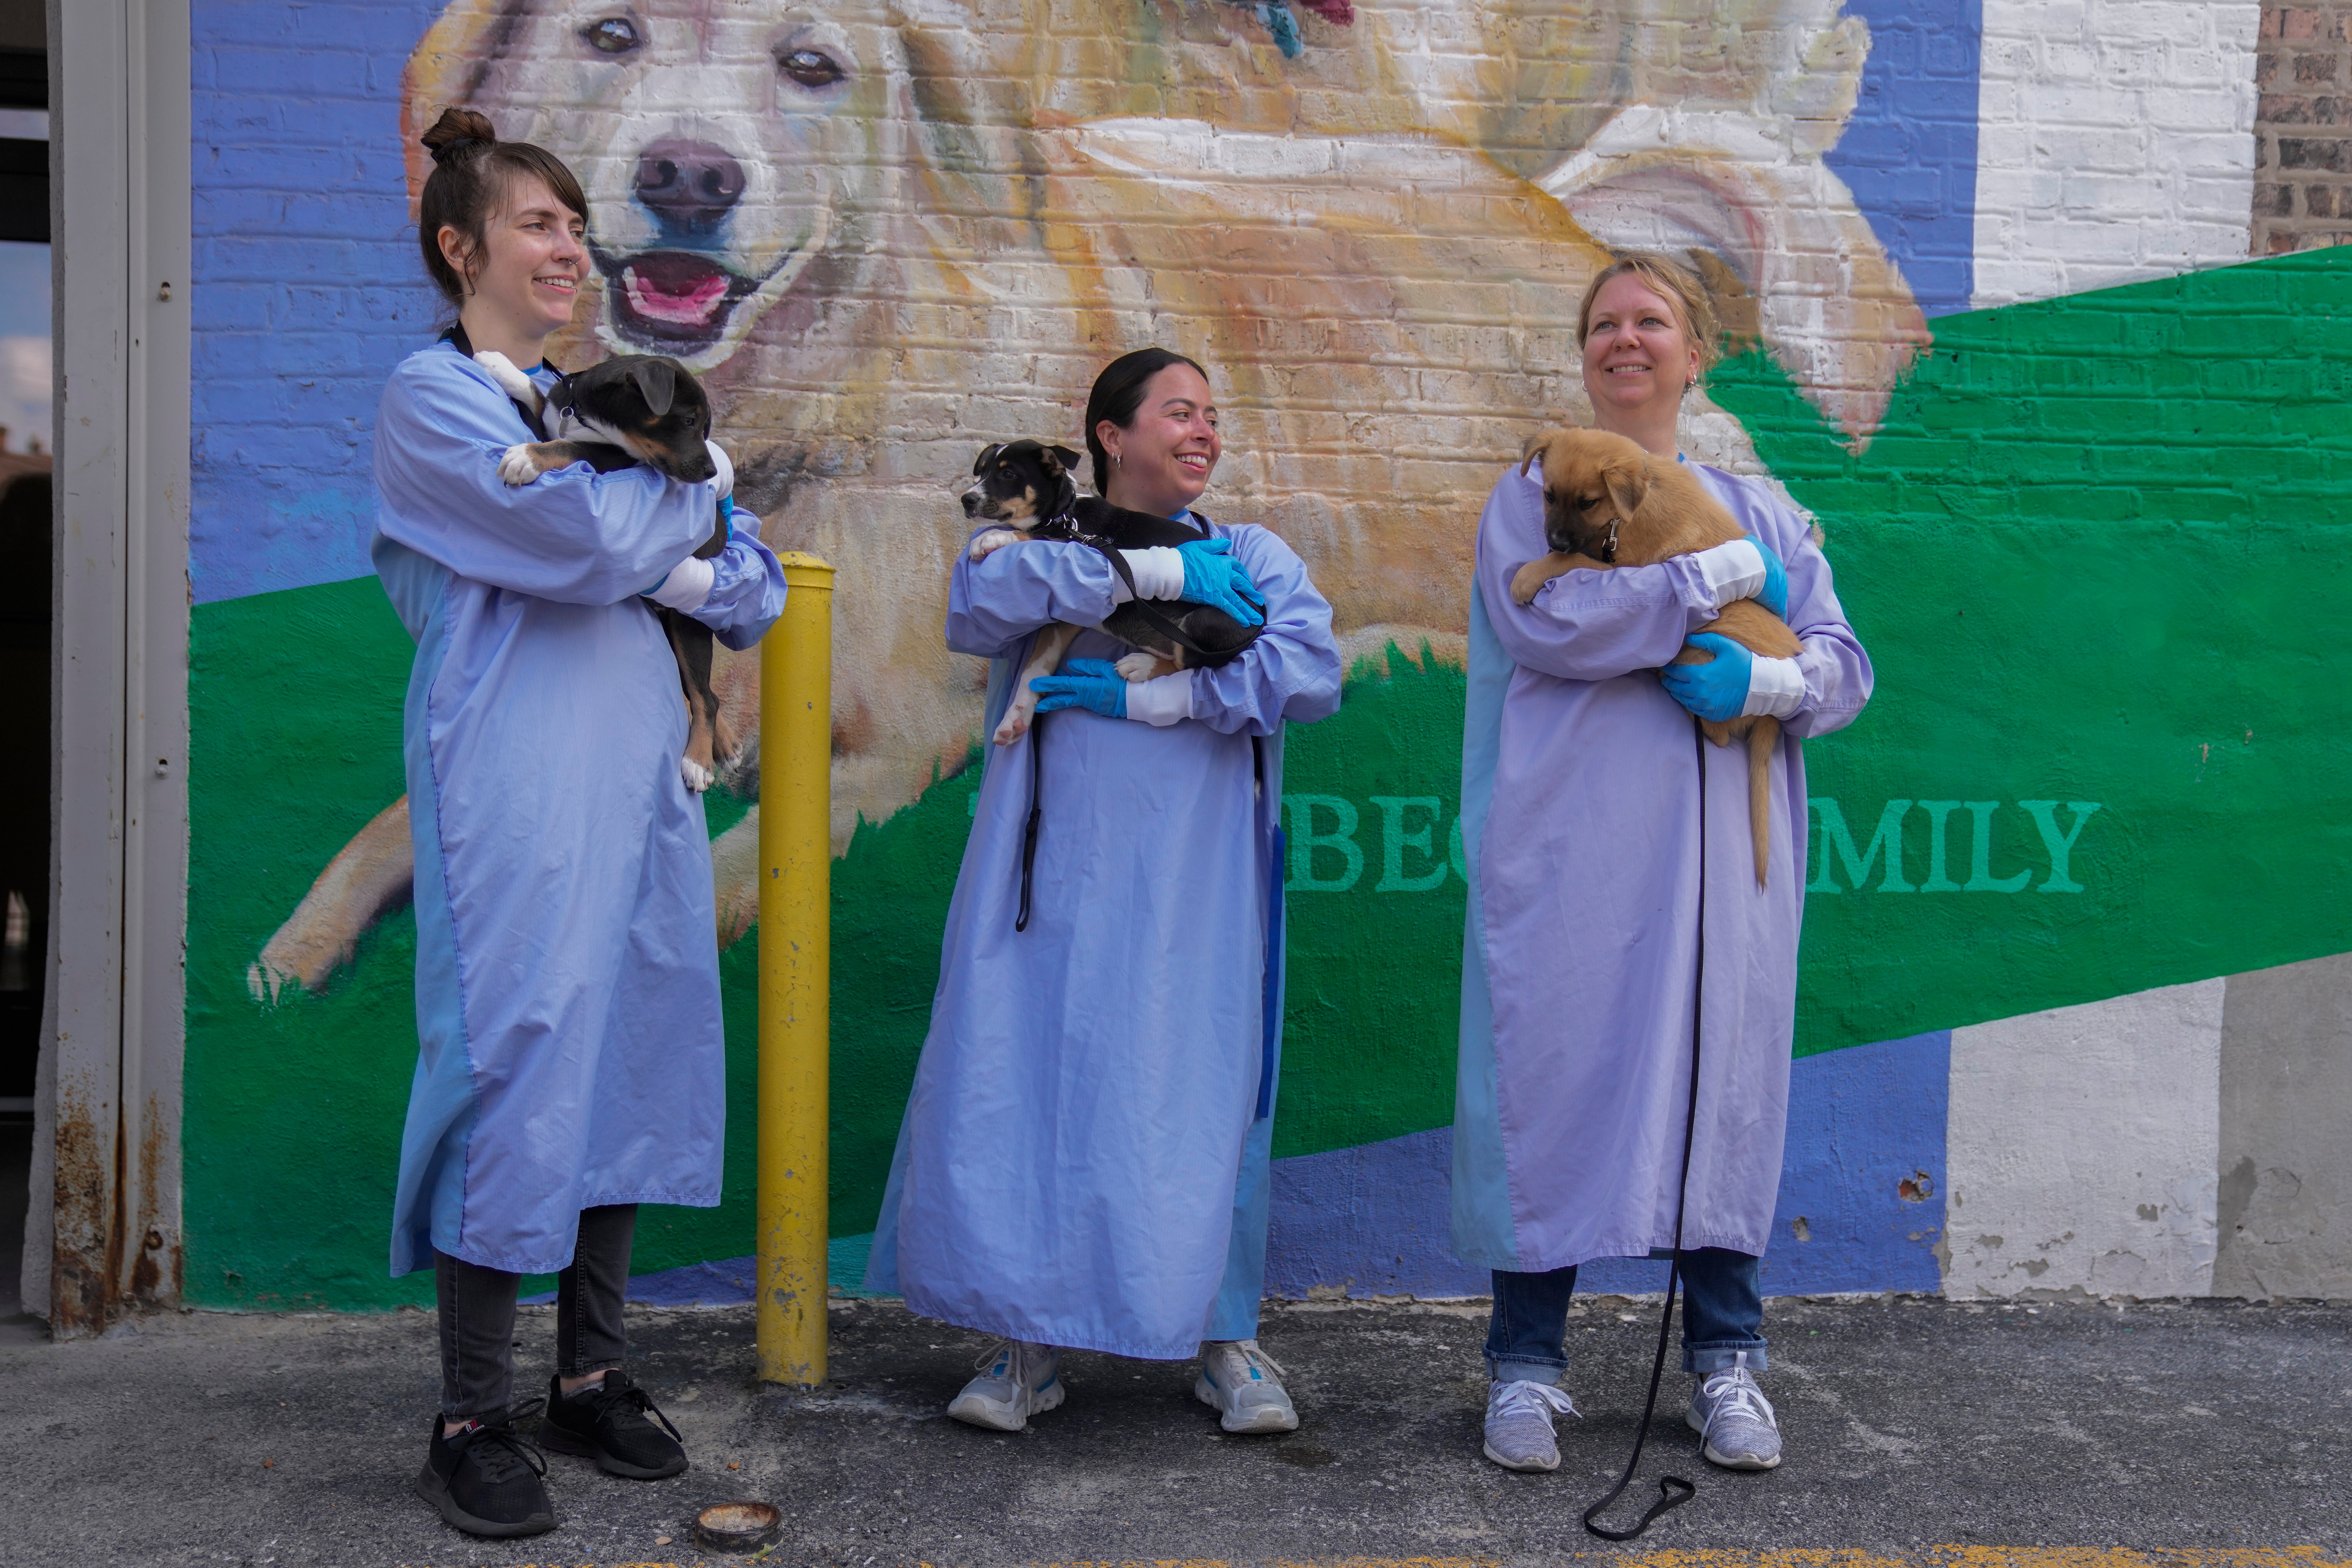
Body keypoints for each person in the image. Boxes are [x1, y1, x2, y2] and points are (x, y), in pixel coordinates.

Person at [373, 108, 787, 1539]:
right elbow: (575, 547)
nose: (571, 247)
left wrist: (682, 536)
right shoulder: (439, 401)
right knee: (521, 1062)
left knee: (630, 1051)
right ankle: (470, 1412)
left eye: (571, 226)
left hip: (640, 781)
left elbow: (758, 588)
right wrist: (692, 509)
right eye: (540, 224)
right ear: (459, 245)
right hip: (517, 785)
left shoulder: (583, 406)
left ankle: (590, 1370)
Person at [865, 347, 1343, 1434]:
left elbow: (1311, 673)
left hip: (1202, 887)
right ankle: (1023, 1344)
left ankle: (1223, 1338)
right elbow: (979, 598)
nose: (1203, 430)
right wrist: (1150, 578)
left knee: (1203, 1082)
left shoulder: (1252, 552)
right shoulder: (1046, 552)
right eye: (1178, 411)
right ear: (1110, 436)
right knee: (1034, 1075)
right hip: (1051, 885)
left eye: (1212, 415)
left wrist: (1159, 705)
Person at [1451, 251, 1872, 1475]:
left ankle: (1725, 1361)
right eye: (1602, 324)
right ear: (1582, 356)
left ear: (1693, 356)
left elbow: (1844, 658)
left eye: (1650, 323)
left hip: (1726, 865)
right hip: (1575, 851)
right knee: (1555, 1077)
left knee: (1723, 1087)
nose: (1624, 340)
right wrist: (1708, 581)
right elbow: (1551, 621)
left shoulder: (1770, 506)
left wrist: (1775, 678)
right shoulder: (1537, 490)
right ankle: (1525, 1369)